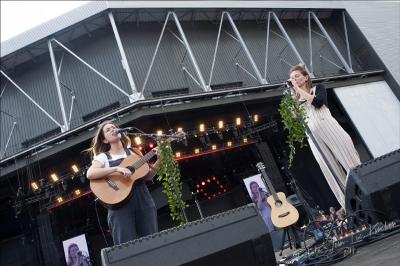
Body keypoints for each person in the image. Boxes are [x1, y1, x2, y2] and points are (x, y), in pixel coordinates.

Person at [288, 64, 361, 208]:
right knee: (328, 168)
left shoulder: (318, 89)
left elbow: (318, 103)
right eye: (291, 78)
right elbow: (294, 117)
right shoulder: (296, 98)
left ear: (306, 77)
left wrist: (299, 90)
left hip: (329, 128)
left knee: (349, 159)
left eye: (296, 76)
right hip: (313, 137)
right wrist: (293, 96)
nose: (294, 80)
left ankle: (367, 187)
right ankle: (348, 205)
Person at [86, 120, 159, 245]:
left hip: (143, 199)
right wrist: (116, 168)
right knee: (126, 246)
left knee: (153, 241)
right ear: (104, 140)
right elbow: (90, 173)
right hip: (119, 204)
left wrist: (160, 160)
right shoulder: (103, 157)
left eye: (114, 127)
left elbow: (147, 176)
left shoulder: (135, 152)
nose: (113, 129)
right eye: (108, 130)